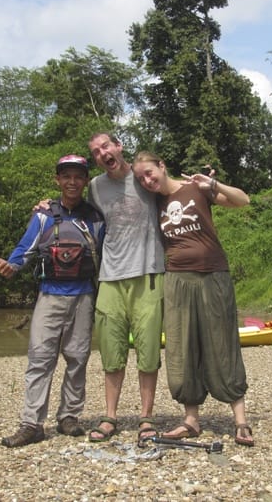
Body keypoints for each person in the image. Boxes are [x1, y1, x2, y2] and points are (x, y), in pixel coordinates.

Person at [131, 150, 255, 447]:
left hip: (213, 275)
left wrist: (214, 186)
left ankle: (241, 421)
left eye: (150, 173)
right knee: (181, 346)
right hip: (176, 279)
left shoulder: (195, 189)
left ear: (162, 165)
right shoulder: (152, 203)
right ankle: (191, 419)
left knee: (222, 342)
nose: (147, 181)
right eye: (141, 178)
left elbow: (243, 200)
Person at [0, 154, 104, 448]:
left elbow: (110, 250)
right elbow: (24, 249)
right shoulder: (42, 216)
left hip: (83, 297)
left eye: (78, 176)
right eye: (66, 176)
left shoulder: (95, 217)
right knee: (40, 359)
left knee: (78, 359)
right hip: (49, 296)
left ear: (85, 180)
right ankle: (32, 423)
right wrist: (11, 266)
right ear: (57, 180)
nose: (72, 182)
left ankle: (69, 416)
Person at [84, 133, 165, 442]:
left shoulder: (145, 176)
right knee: (112, 352)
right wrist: (45, 206)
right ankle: (110, 417)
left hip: (149, 274)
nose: (102, 153)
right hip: (110, 277)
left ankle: (146, 418)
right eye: (95, 152)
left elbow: (174, 191)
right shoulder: (94, 186)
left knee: (148, 353)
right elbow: (76, 207)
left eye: (106, 146)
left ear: (118, 146)